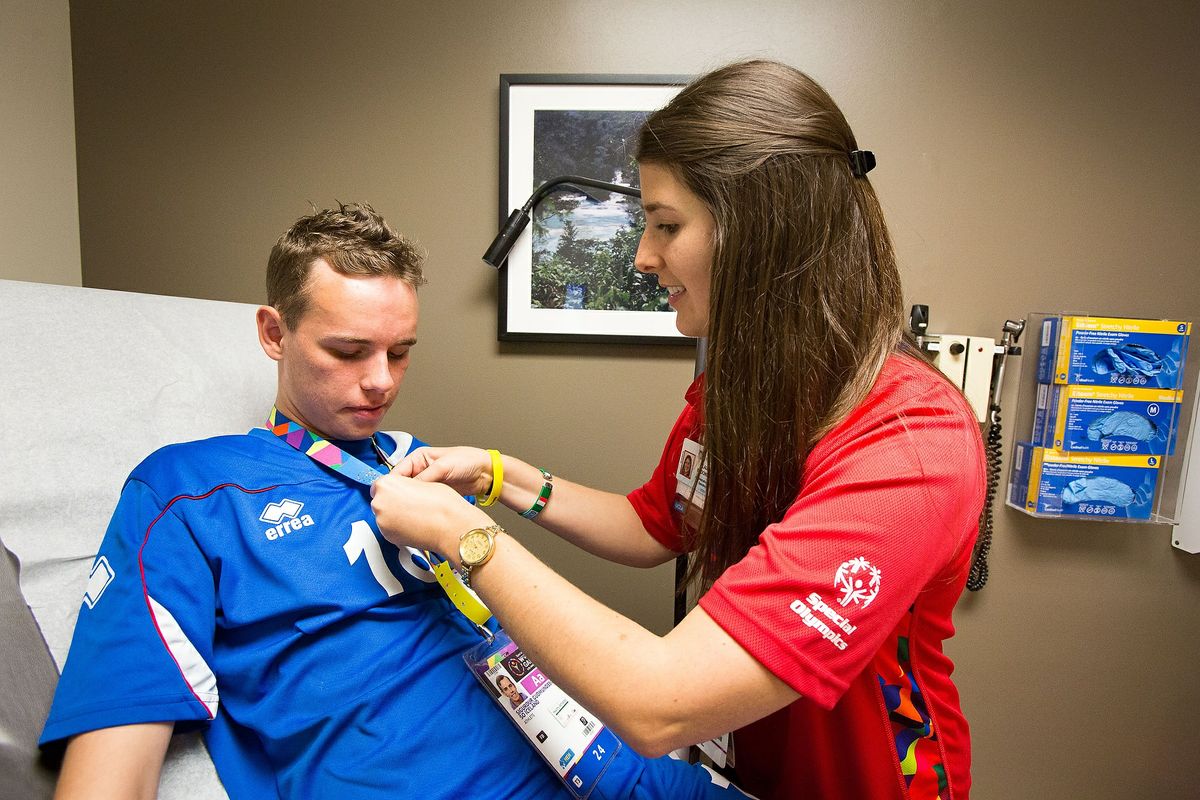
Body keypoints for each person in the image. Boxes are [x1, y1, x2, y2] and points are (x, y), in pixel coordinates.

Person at [370, 60, 986, 800]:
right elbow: (653, 524)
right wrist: (496, 476)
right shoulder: (740, 391)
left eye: (666, 225)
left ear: (765, 230)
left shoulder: (911, 444)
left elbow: (658, 703)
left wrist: (462, 535)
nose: (642, 256)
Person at [39, 203, 749, 799]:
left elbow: (630, 543)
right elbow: (108, 775)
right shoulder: (188, 493)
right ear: (274, 334)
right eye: (349, 352)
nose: (381, 381)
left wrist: (491, 483)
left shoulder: (420, 466)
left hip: (619, 767)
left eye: (400, 351)